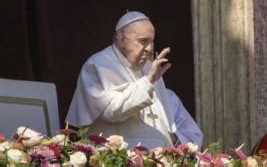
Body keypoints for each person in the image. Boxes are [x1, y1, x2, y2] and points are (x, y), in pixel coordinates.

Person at [66, 11, 203, 148]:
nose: (149, 48)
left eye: (152, 41)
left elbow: (164, 121)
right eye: (143, 41)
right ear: (121, 39)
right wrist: (148, 81)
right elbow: (111, 111)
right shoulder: (98, 65)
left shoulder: (149, 67)